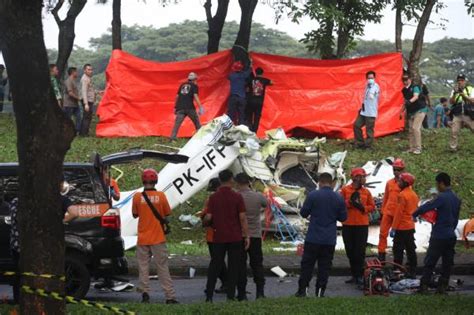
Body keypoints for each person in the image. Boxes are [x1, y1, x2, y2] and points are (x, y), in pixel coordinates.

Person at [9, 178, 76, 303]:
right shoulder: (55, 200)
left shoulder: (16, 202)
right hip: (40, 248)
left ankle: (20, 302)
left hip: (19, 247)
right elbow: (74, 212)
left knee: (21, 276)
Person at [295, 173, 347, 298]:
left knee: (307, 265)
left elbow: (303, 213)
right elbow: (343, 217)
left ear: (319, 182)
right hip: (329, 239)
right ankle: (320, 292)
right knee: (325, 266)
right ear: (332, 183)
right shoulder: (339, 197)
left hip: (313, 237)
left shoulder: (313, 195)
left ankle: (303, 290)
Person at [131, 169, 178, 304]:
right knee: (162, 267)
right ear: (155, 180)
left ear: (143, 181)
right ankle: (170, 296)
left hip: (143, 238)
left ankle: (145, 293)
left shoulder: (137, 197)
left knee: (143, 267)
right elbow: (166, 213)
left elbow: (135, 214)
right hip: (158, 237)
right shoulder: (161, 196)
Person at [204, 169, 250, 302]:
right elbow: (242, 218)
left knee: (215, 265)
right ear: (231, 180)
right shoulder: (237, 197)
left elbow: (208, 216)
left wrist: (206, 222)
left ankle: (209, 295)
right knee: (234, 266)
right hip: (235, 237)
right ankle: (230, 296)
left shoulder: (213, 197)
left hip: (218, 237)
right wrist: (246, 236)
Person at [413, 173, 461, 294]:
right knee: (447, 263)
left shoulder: (442, 197)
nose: (437, 187)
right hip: (451, 236)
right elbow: (455, 219)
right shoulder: (456, 198)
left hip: (439, 235)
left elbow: (428, 206)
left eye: (437, 184)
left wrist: (415, 213)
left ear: (441, 183)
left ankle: (423, 287)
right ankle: (442, 287)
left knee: (430, 261)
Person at [235, 173, 267, 300]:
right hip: (255, 235)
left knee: (240, 265)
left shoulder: (236, 197)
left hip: (240, 235)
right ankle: (260, 292)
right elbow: (266, 204)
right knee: (257, 264)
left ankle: (242, 294)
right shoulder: (258, 196)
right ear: (249, 182)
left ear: (237, 183)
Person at [340, 168, 375, 285]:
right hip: (348, 224)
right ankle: (354, 274)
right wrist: (350, 203)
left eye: (363, 177)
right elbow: (339, 204)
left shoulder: (367, 192)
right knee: (350, 250)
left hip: (362, 225)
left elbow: (372, 206)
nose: (363, 179)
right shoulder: (344, 190)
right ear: (354, 178)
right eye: (360, 176)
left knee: (359, 252)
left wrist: (363, 208)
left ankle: (359, 275)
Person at [199, 178, 227, 294]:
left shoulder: (211, 199)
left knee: (216, 261)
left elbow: (207, 216)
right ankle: (227, 283)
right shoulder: (231, 197)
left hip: (213, 235)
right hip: (227, 234)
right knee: (220, 261)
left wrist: (202, 219)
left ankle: (214, 286)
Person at [391, 173, 418, 278]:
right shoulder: (414, 195)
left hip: (401, 227)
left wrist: (393, 228)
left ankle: (397, 271)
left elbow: (398, 213)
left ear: (405, 183)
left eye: (400, 181)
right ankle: (413, 270)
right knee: (411, 249)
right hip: (410, 227)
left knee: (398, 250)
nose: (398, 182)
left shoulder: (402, 195)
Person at [378, 158, 405, 262]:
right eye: (394, 169)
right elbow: (386, 197)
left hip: (399, 215)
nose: (396, 172)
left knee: (398, 237)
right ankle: (381, 255)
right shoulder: (389, 183)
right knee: (382, 234)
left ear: (403, 170)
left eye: (398, 169)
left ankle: (397, 258)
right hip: (388, 212)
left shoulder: (406, 184)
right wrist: (383, 210)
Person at [169, 72, 204, 141]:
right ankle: (201, 137)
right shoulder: (194, 86)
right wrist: (200, 107)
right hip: (189, 107)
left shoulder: (182, 85)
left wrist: (175, 107)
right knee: (197, 123)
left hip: (180, 107)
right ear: (195, 79)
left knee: (177, 124)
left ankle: (172, 138)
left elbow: (177, 96)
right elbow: (195, 96)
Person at [401, 74, 427, 155]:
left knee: (416, 128)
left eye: (406, 79)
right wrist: (401, 112)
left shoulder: (415, 87)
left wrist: (409, 101)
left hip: (420, 109)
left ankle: (418, 148)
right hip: (411, 111)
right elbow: (405, 102)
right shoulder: (404, 90)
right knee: (411, 130)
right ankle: (412, 148)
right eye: (404, 80)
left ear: (410, 79)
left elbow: (416, 96)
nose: (405, 81)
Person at [353, 70, 380, 149]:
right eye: (369, 78)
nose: (370, 79)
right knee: (356, 125)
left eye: (372, 78)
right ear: (366, 78)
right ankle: (360, 142)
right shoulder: (367, 86)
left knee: (369, 129)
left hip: (371, 112)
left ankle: (368, 145)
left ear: (374, 78)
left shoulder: (375, 86)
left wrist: (371, 95)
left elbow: (373, 91)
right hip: (364, 111)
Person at [448, 74, 474, 152]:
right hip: (457, 113)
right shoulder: (454, 90)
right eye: (458, 80)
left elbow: (472, 101)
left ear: (465, 81)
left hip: (469, 113)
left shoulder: (471, 89)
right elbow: (451, 102)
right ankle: (453, 147)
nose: (460, 82)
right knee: (454, 131)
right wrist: (455, 93)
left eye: (462, 80)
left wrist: (462, 94)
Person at [245, 67, 272, 133]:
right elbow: (272, 82)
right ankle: (255, 131)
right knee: (257, 117)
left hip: (250, 101)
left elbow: (246, 87)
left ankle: (250, 129)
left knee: (249, 115)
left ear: (255, 72)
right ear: (262, 73)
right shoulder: (264, 80)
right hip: (259, 102)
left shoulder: (251, 80)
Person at [227, 61, 252, 125]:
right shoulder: (244, 75)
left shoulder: (231, 76)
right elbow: (250, 70)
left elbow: (227, 76)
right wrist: (251, 63)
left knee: (231, 114)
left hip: (233, 97)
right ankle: (240, 128)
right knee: (241, 114)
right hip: (242, 98)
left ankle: (230, 128)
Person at [63, 67, 82, 135]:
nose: (77, 73)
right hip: (68, 104)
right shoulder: (68, 81)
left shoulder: (74, 81)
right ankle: (66, 132)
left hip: (75, 104)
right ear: (73, 72)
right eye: (76, 72)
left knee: (79, 117)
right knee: (68, 119)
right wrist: (78, 98)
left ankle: (76, 131)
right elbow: (70, 93)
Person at [80, 64, 96, 137]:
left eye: (91, 69)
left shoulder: (88, 78)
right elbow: (84, 91)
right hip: (87, 101)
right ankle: (84, 134)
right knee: (86, 117)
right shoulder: (85, 79)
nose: (90, 71)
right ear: (84, 70)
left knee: (88, 117)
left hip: (90, 100)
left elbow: (90, 90)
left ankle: (84, 133)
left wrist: (98, 92)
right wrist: (86, 103)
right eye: (88, 69)